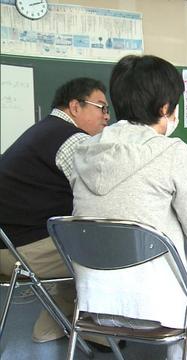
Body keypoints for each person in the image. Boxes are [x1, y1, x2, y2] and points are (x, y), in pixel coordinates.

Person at [70, 54, 187, 359]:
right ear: (164, 108)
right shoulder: (173, 152)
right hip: (159, 308)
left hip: (95, 304)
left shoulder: (83, 151)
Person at [0, 77, 109, 344]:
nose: (107, 117)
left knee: (76, 236)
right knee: (109, 246)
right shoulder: (73, 140)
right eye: (101, 108)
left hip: (9, 245)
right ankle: (101, 335)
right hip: (23, 252)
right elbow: (100, 197)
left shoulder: (41, 131)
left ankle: (54, 325)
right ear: (75, 106)